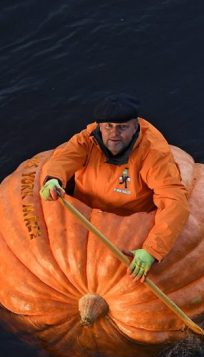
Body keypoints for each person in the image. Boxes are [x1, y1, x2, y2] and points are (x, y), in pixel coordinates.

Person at [39, 93, 189, 282]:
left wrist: (153, 250)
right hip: (83, 217)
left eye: (122, 127)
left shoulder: (153, 153)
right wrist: (53, 179)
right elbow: (64, 159)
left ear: (136, 126)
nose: (114, 133)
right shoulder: (87, 139)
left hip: (129, 227)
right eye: (108, 126)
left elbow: (175, 201)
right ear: (100, 125)